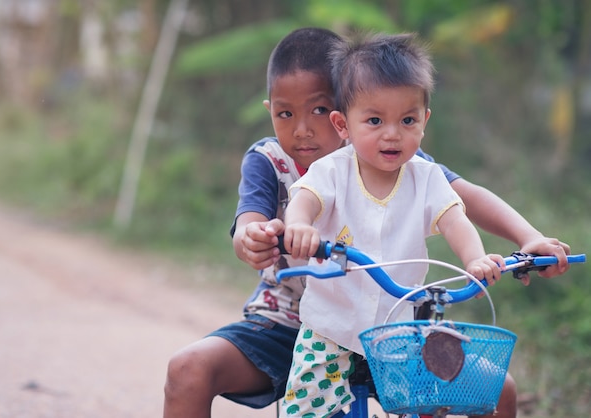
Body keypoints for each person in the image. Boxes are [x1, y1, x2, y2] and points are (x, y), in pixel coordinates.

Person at [162, 28, 571, 418]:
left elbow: (464, 201)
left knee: (499, 389)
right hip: (291, 323)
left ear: (343, 114)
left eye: (319, 109)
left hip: (390, 322)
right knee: (187, 370)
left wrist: (529, 238)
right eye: (286, 113)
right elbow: (255, 222)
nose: (303, 128)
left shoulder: (393, 153)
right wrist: (255, 238)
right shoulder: (278, 161)